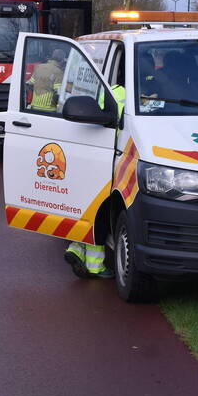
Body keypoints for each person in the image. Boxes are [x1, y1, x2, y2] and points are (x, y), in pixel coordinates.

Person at [63, 82, 126, 280]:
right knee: (101, 214)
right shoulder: (131, 95)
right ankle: (95, 266)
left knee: (90, 209)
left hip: (94, 151)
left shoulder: (109, 91)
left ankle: (76, 248)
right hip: (116, 157)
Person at [26, 47, 66, 111]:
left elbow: (30, 84)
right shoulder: (58, 72)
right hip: (49, 109)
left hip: (34, 107)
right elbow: (58, 92)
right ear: (62, 60)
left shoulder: (39, 67)